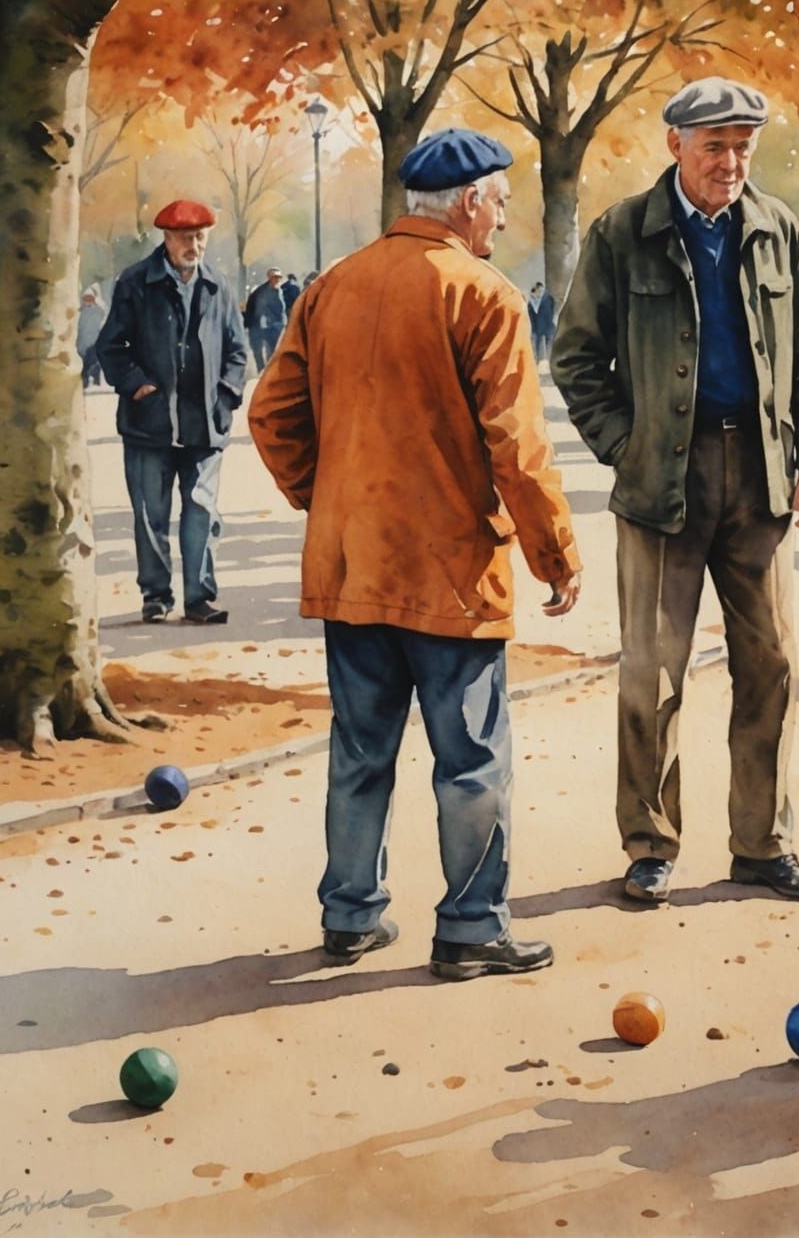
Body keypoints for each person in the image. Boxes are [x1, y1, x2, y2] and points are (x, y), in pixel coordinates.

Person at [249, 127, 582, 981]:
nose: (503, 221)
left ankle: (349, 915)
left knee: (361, 751)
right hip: (451, 572)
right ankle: (472, 929)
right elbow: (517, 447)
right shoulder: (483, 294)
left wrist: (326, 501)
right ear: (469, 203)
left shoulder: (331, 287)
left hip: (353, 569)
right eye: (500, 203)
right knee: (470, 758)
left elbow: (271, 415)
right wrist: (555, 554)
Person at [552, 76, 799, 907]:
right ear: (674, 146)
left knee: (773, 664)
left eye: (744, 146)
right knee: (652, 673)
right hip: (660, 486)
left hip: (759, 481)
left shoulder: (779, 229)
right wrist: (624, 445)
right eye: (714, 145)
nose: (731, 162)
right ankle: (649, 843)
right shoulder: (620, 235)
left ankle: (762, 844)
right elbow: (575, 359)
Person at [97, 200, 248, 624]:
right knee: (151, 516)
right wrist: (136, 385)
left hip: (205, 425)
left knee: (202, 512)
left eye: (200, 237)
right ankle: (156, 596)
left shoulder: (218, 285)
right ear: (166, 237)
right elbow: (110, 346)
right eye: (185, 237)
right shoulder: (135, 283)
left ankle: (199, 598)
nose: (193, 245)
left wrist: (226, 395)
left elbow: (238, 353)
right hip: (149, 424)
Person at [243, 267, 288, 372]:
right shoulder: (261, 292)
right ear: (269, 278)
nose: (277, 280)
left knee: (274, 353)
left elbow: (281, 310)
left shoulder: (279, 291)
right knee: (258, 352)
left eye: (279, 277)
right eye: (275, 277)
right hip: (258, 326)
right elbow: (257, 310)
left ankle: (269, 373)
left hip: (273, 327)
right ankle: (261, 373)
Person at [76, 287, 107, 389]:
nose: (88, 301)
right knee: (84, 365)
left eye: (90, 298)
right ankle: (85, 383)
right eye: (86, 298)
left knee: (93, 363)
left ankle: (94, 381)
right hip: (81, 343)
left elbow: (103, 314)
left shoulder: (98, 311)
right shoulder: (80, 311)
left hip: (93, 343)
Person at [527, 281, 557, 363]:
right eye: (539, 291)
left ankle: (549, 361)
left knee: (549, 344)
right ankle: (538, 362)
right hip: (536, 327)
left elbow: (552, 310)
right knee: (536, 346)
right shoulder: (531, 303)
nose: (540, 293)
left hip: (547, 325)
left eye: (541, 291)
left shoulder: (548, 299)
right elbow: (531, 316)